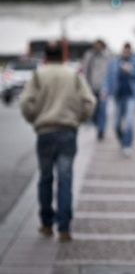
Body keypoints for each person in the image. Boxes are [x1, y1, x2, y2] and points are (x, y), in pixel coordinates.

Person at [20, 41, 96, 242]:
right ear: (63, 55)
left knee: (45, 178)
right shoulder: (73, 75)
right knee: (66, 179)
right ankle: (64, 227)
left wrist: (34, 119)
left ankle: (46, 224)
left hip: (45, 132)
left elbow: (25, 102)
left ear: (45, 56)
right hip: (67, 131)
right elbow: (89, 102)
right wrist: (78, 119)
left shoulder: (39, 75)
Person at [104, 42, 135, 158]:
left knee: (129, 121)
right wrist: (105, 89)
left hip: (131, 95)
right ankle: (122, 141)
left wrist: (130, 70)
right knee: (116, 124)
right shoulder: (115, 61)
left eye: (128, 51)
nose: (126, 53)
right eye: (124, 51)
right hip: (118, 95)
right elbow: (108, 77)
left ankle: (128, 144)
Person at [82, 39, 111, 141]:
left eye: (99, 46)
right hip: (91, 87)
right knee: (93, 110)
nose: (97, 48)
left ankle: (101, 130)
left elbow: (110, 72)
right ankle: (96, 124)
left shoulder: (107, 56)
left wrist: (109, 86)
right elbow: (85, 70)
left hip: (103, 88)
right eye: (96, 46)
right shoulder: (89, 55)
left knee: (102, 110)